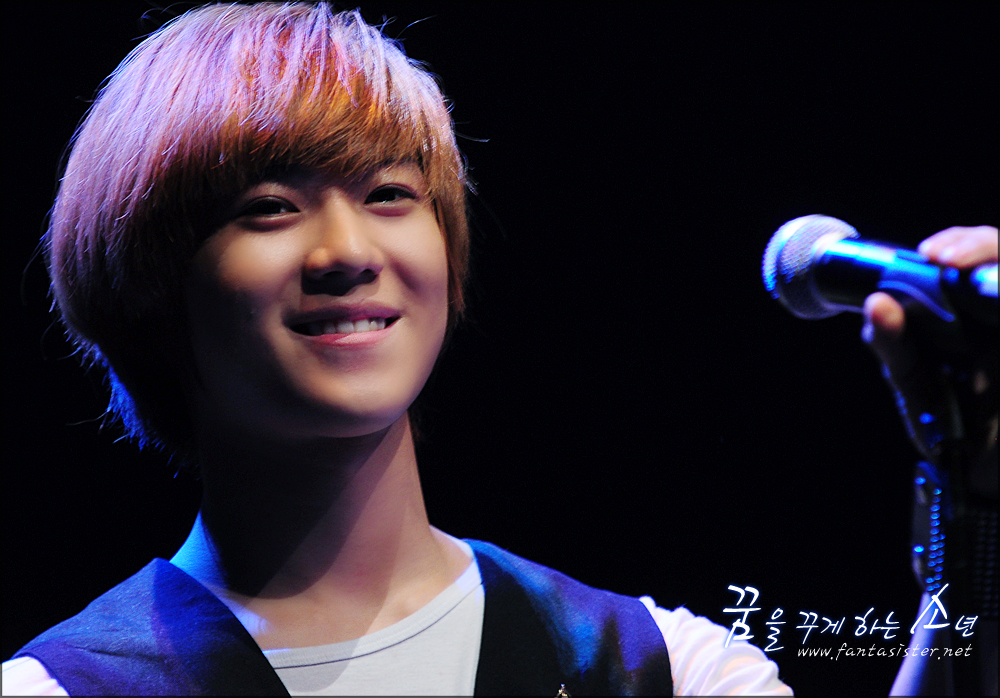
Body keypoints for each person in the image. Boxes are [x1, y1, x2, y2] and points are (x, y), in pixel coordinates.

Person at [2, 3, 995, 696]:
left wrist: (977, 508)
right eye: (268, 207)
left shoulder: (656, 667)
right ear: (149, 280)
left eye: (390, 195)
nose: (348, 251)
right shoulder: (63, 688)